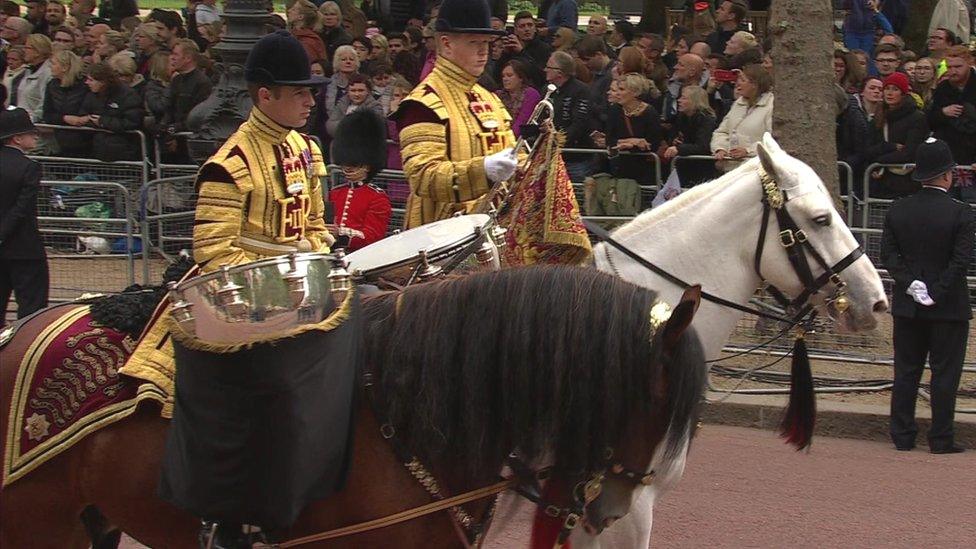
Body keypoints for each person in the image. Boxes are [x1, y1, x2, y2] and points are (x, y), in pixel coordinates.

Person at [154, 31, 342, 547]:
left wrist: (326, 246)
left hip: (304, 290)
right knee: (262, 389)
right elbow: (216, 256)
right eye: (299, 92)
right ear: (265, 96)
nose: (310, 100)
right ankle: (226, 514)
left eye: (311, 91)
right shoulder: (228, 165)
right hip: (242, 299)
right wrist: (296, 268)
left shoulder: (306, 148)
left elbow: (315, 225)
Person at [881, 137, 974, 454]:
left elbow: (889, 257)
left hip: (909, 306)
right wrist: (937, 290)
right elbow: (960, 262)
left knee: (906, 372)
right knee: (945, 375)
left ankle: (903, 435)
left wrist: (911, 284)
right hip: (948, 308)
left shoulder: (898, 210)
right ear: (947, 175)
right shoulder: (961, 213)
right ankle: (940, 438)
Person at [393, 0, 516, 229]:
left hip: (496, 230)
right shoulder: (424, 102)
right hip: (441, 239)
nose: (483, 51)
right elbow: (423, 176)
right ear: (446, 44)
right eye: (473, 43)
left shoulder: (488, 97)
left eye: (486, 43)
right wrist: (483, 170)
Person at [0, 107, 48, 324]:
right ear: (17, 138)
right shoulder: (29, 167)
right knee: (31, 311)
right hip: (23, 248)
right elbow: (22, 208)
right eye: (30, 133)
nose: (34, 136)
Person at [328, 108, 392, 251]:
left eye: (354, 164)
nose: (348, 168)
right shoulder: (335, 193)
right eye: (345, 163)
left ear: (368, 166)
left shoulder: (377, 198)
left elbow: (372, 237)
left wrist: (341, 234)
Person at [864, 72, 929, 199]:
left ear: (903, 93)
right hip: (881, 182)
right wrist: (889, 147)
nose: (889, 93)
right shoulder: (878, 117)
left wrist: (879, 161)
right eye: (887, 88)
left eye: (895, 89)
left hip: (907, 182)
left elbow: (910, 152)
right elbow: (868, 149)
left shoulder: (917, 118)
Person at [927, 46, 975, 200]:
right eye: (949, 67)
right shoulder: (943, 89)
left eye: (958, 66)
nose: (953, 71)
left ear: (969, 62)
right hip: (950, 161)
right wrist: (943, 113)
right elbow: (930, 122)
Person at [710, 64, 773, 170]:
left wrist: (748, 151)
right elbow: (722, 131)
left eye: (743, 80)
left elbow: (772, 139)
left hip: (757, 169)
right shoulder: (739, 103)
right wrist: (720, 149)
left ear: (755, 84)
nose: (737, 83)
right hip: (732, 168)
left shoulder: (771, 105)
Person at [604, 73, 662, 187]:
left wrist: (633, 145)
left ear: (636, 93)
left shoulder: (650, 113)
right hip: (621, 167)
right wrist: (631, 141)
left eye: (621, 89)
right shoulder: (615, 110)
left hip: (644, 169)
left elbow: (654, 144)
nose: (618, 93)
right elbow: (609, 140)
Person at [79, 61, 144, 161]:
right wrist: (87, 120)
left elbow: (132, 122)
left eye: (90, 80)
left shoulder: (128, 95)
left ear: (103, 82)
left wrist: (103, 121)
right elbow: (84, 113)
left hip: (125, 153)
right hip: (98, 151)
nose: (87, 82)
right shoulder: (91, 95)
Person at [545, 50, 593, 183]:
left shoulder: (581, 90)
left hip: (575, 157)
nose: (545, 70)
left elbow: (580, 123)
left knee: (576, 195)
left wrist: (558, 140)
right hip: (551, 155)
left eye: (548, 67)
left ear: (559, 72)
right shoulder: (548, 89)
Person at [662, 84, 718, 187]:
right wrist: (674, 141)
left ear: (694, 101)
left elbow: (703, 146)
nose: (679, 100)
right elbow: (673, 135)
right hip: (684, 167)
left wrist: (679, 148)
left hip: (701, 169)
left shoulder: (707, 120)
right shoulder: (681, 117)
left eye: (683, 98)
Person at [43, 49, 90, 156]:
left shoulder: (84, 86)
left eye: (54, 64)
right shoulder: (52, 85)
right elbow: (47, 115)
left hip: (83, 140)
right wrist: (65, 118)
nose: (50, 67)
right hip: (59, 140)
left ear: (65, 67)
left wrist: (83, 119)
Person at [497, 58, 541, 138]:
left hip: (523, 140)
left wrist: (506, 139)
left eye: (509, 75)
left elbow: (522, 123)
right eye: (503, 76)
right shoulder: (498, 95)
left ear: (521, 78)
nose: (505, 79)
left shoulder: (531, 94)